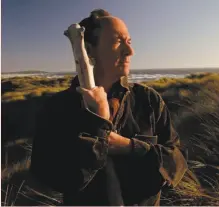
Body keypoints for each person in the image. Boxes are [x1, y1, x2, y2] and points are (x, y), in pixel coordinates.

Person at [30, 9, 188, 206]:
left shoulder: (148, 100)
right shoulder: (59, 108)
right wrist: (99, 125)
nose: (130, 52)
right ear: (88, 50)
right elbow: (54, 179)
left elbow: (177, 162)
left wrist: (129, 147)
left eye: (129, 42)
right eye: (118, 41)